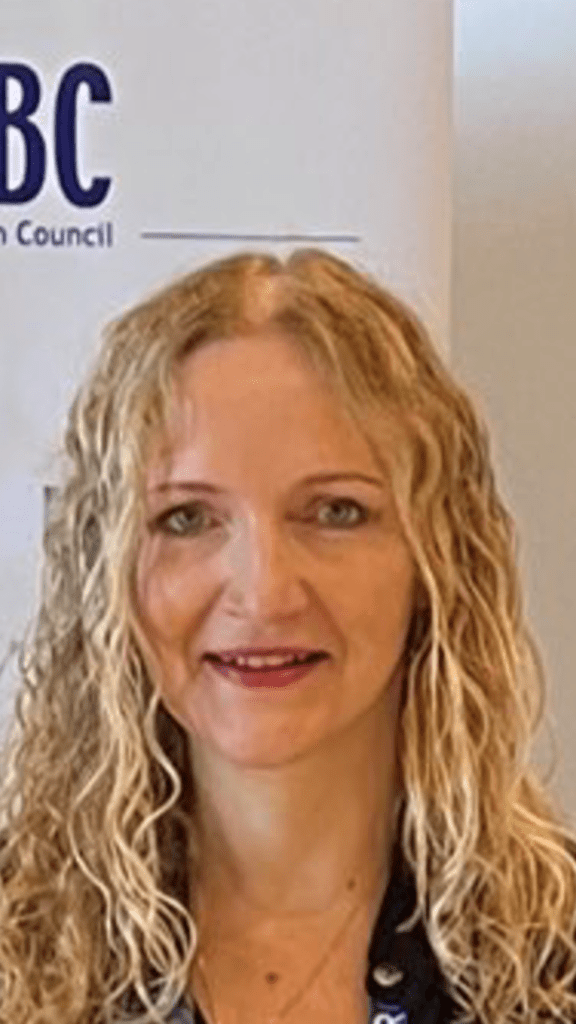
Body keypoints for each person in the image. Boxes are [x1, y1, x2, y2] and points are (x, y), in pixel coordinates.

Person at [0, 249, 575, 1024]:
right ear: (108, 575)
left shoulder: (556, 959)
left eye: (336, 512)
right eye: (186, 518)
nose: (264, 593)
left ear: (436, 560)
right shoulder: (17, 952)